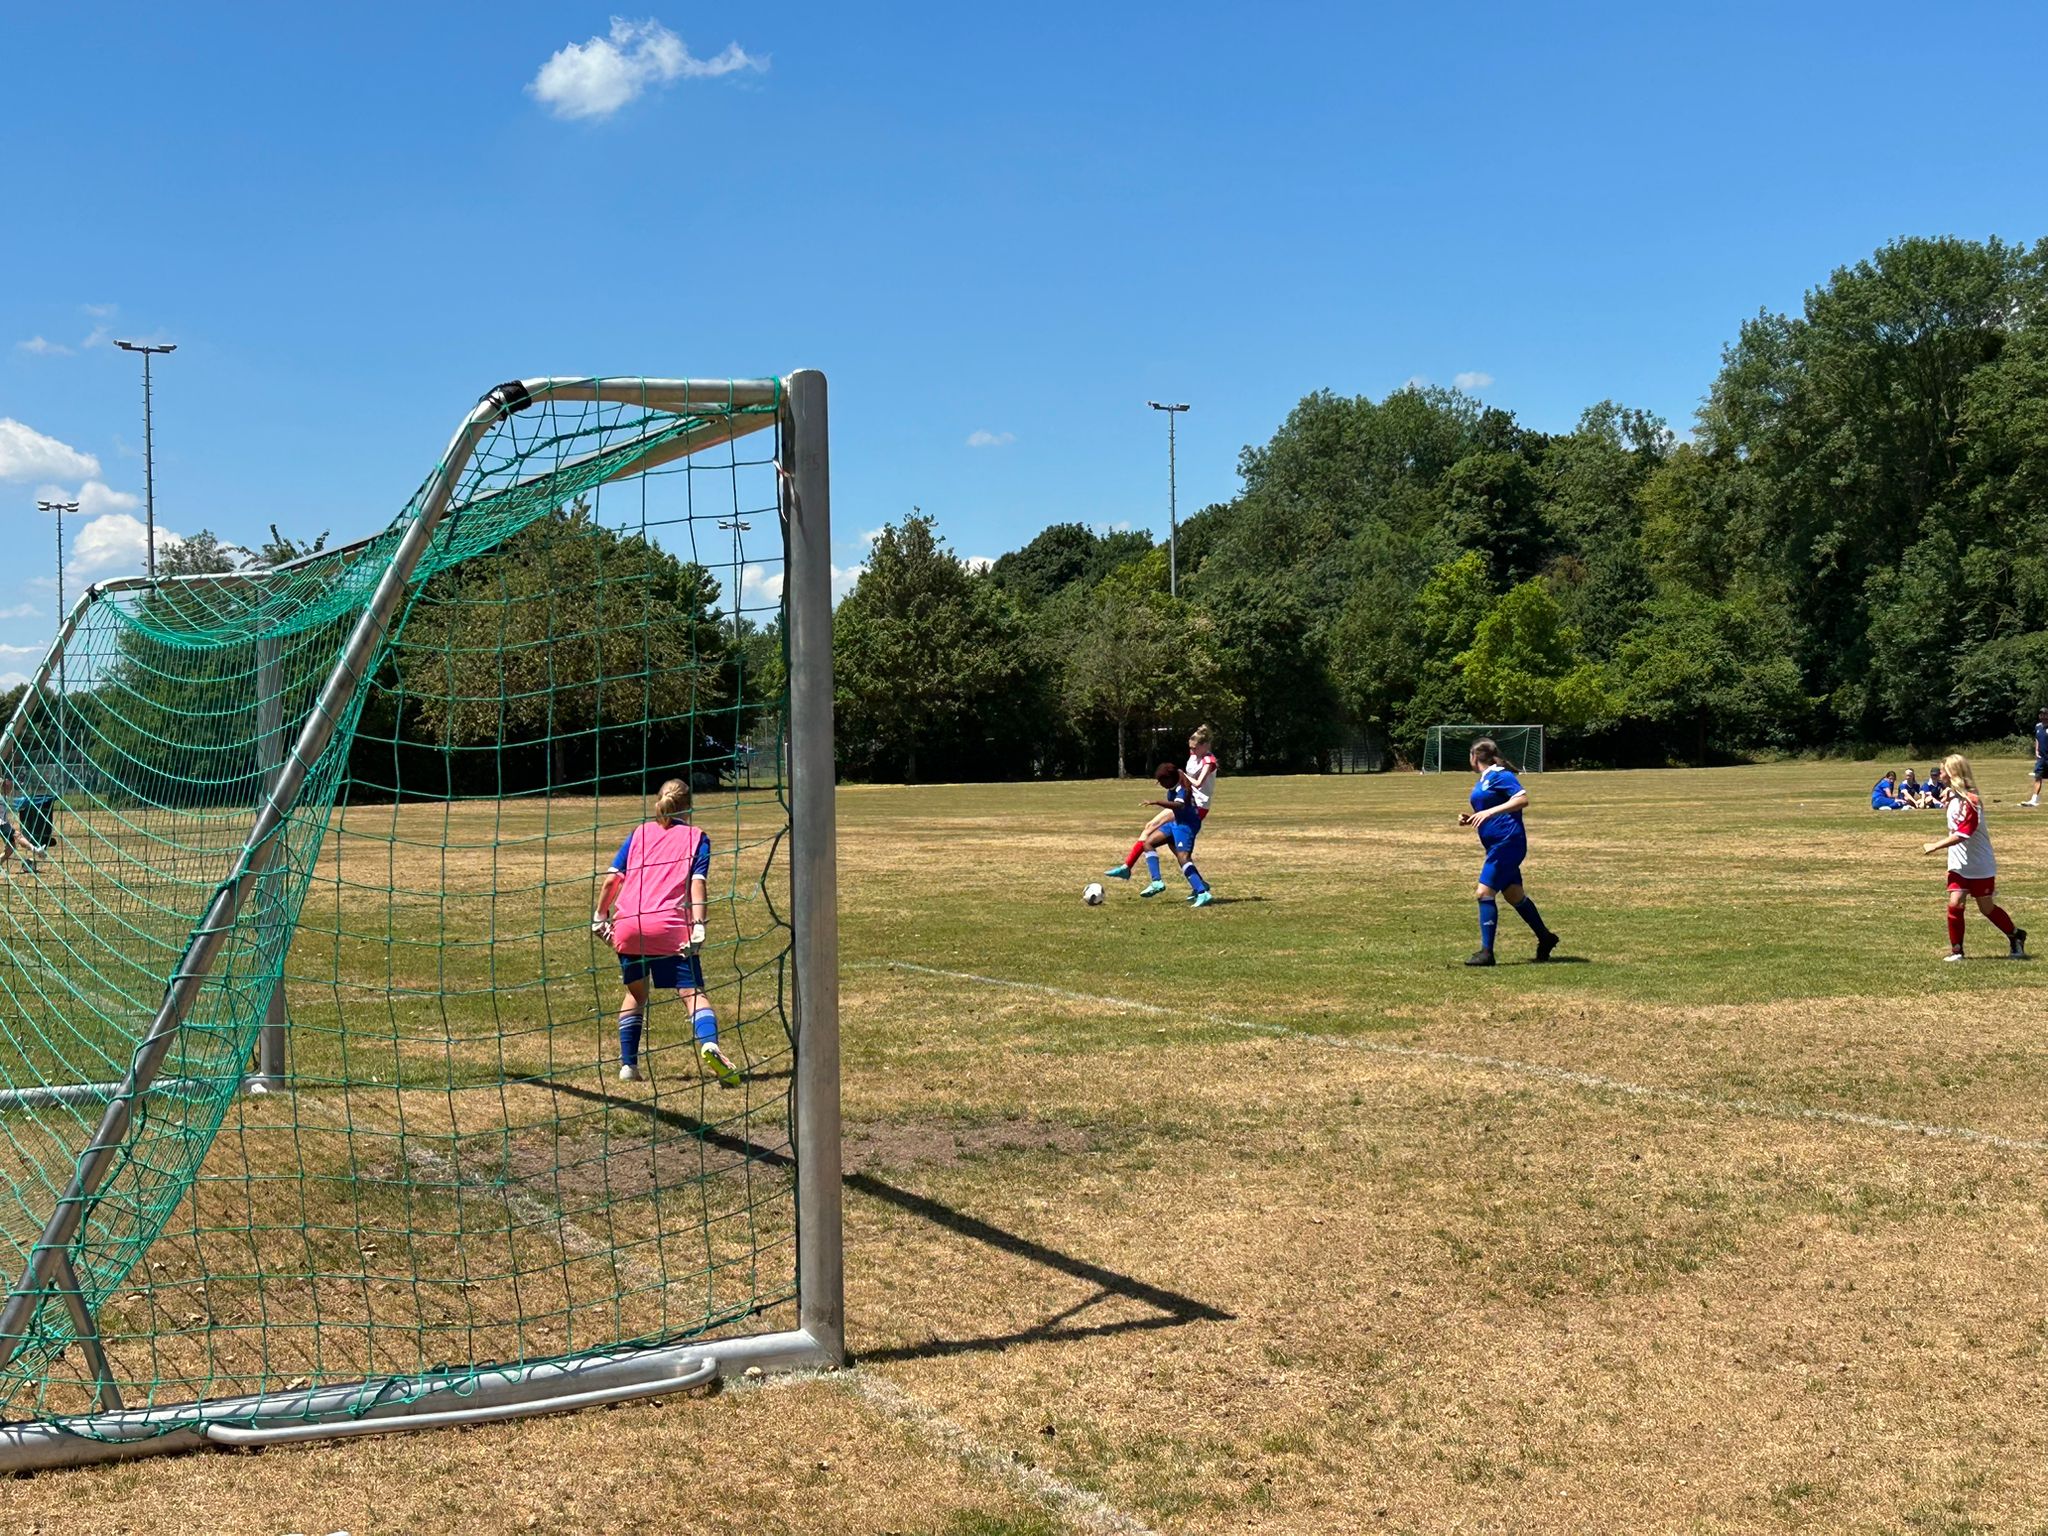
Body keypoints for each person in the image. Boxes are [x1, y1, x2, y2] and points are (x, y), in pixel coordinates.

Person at [592, 777, 740, 1085]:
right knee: (692, 993)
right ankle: (710, 1046)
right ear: (689, 807)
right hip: (669, 928)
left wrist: (599, 915)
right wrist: (698, 926)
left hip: (629, 925)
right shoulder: (697, 837)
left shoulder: (639, 833)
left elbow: (611, 880)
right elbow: (697, 884)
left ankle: (628, 1066)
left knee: (635, 994)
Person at [1458, 738, 1559, 967]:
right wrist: (1472, 818)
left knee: (1484, 893)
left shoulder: (1500, 775)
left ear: (1474, 757)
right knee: (1514, 895)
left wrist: (1489, 812)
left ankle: (1487, 953)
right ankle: (1546, 937)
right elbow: (1489, 809)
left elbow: (1522, 799)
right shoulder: (1485, 779)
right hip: (1497, 845)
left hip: (1508, 843)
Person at [1922, 753, 2026, 962]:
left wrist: (1935, 845)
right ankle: (1957, 951)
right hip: (1958, 863)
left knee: (1986, 908)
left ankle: (2016, 935)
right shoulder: (1953, 796)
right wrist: (1949, 793)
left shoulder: (1972, 801)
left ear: (1952, 773)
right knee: (1955, 903)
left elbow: (1964, 833)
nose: (1939, 774)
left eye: (1942, 771)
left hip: (1979, 864)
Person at [1105, 726, 1218, 896]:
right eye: (1190, 748)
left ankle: (1128, 867)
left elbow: (1198, 783)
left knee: (1151, 827)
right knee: (1174, 845)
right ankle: (1199, 884)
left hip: (1196, 806)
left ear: (1204, 746)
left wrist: (1180, 775)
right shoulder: (1194, 755)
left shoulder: (1209, 761)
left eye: (1195, 748)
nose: (1192, 751)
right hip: (1188, 801)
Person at [0, 779, 39, 876]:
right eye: (7, 786)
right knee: (17, 835)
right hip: (1, 824)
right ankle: (34, 848)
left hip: (4, 824)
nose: (9, 788)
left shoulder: (3, 797)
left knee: (10, 848)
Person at [2023, 710, 2048, 808]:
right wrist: (2036, 750)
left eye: (2045, 714)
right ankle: (2034, 799)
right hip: (2041, 758)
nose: (2043, 716)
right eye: (2041, 714)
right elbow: (2037, 739)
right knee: (2038, 777)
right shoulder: (2038, 726)